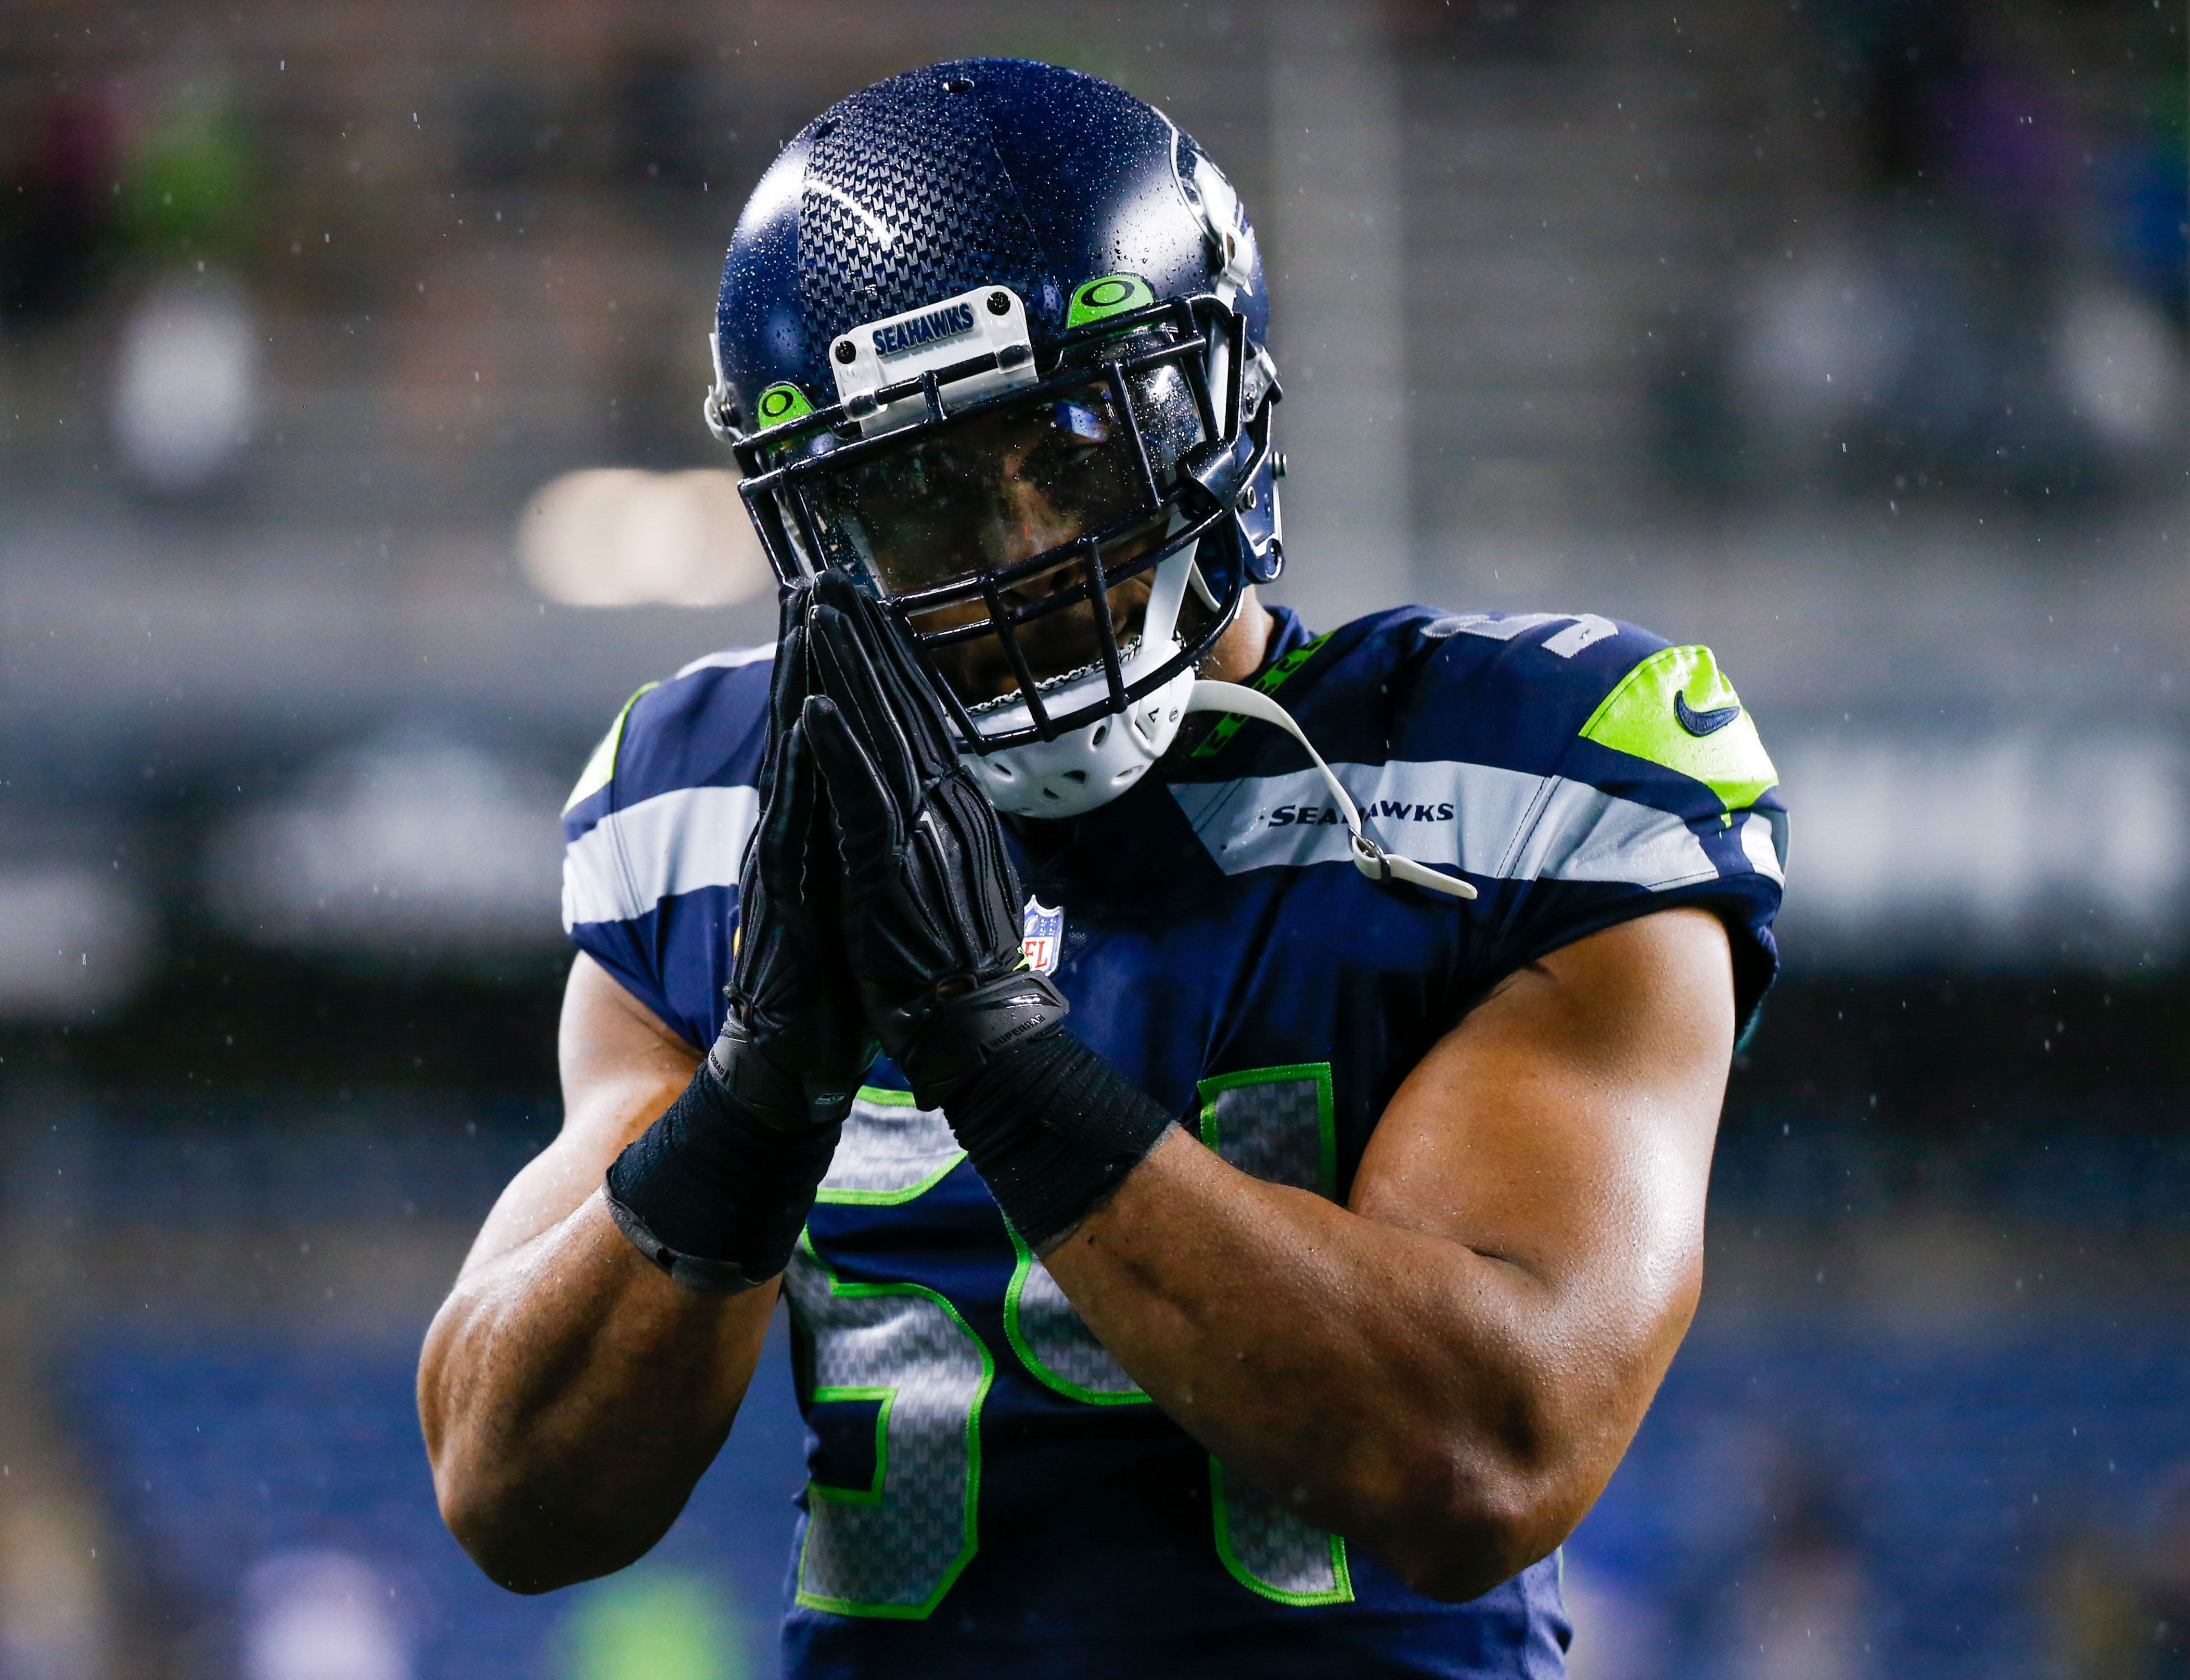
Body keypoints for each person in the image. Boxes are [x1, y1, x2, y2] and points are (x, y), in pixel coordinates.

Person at [418, 59, 1786, 1678]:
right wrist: (759, 1089)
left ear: (1210, 403)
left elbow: (1478, 1459)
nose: (1020, 552)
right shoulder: (718, 800)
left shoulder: (1517, 771)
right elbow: (514, 1493)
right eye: (914, 491)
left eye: (1067, 444)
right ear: (816, 530)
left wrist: (992, 1054)